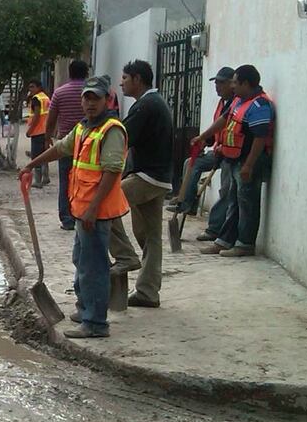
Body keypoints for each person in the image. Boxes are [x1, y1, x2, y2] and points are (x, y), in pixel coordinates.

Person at [23, 76, 129, 338]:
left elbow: (111, 172)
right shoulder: (84, 128)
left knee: (94, 266)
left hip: (96, 211)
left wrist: (93, 209)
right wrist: (32, 164)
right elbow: (60, 148)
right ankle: (84, 308)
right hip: (81, 209)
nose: (90, 103)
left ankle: (95, 323)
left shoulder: (111, 130)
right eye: (87, 98)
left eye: (96, 98)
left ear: (107, 100)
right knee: (81, 260)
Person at [107, 60, 173, 308]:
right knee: (150, 235)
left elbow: (121, 137)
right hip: (159, 178)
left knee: (105, 204)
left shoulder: (145, 105)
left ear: (137, 79)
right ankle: (148, 292)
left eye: (124, 78)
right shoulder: (154, 103)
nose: (121, 83)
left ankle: (125, 255)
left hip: (147, 177)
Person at [195, 64, 274, 257]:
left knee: (247, 203)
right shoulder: (239, 100)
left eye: (236, 83)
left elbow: (259, 137)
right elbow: (223, 120)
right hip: (234, 159)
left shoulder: (260, 105)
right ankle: (225, 240)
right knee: (233, 200)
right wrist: (203, 137)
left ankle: (245, 244)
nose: (233, 86)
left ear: (246, 84)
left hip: (249, 162)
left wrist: (249, 165)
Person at [166, 67, 236, 238]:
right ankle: (187, 203)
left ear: (231, 84)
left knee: (226, 191)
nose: (217, 86)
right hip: (219, 150)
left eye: (221, 82)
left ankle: (214, 229)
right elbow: (217, 130)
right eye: (216, 82)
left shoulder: (236, 102)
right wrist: (207, 141)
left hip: (232, 153)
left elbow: (229, 127)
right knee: (191, 163)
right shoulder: (222, 103)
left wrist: (206, 138)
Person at [44, 60, 90, 230]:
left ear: (70, 73)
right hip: (89, 142)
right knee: (86, 180)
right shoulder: (92, 93)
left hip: (65, 143)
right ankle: (83, 214)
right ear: (86, 73)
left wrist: (47, 137)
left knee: (66, 180)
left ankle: (66, 218)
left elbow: (52, 118)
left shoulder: (60, 92)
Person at [25, 79, 51, 187]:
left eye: (32, 87)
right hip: (46, 130)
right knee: (44, 154)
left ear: (38, 87)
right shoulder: (45, 97)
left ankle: (38, 181)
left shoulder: (36, 99)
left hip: (37, 131)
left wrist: (29, 131)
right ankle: (46, 177)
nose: (30, 89)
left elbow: (36, 117)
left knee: (36, 156)